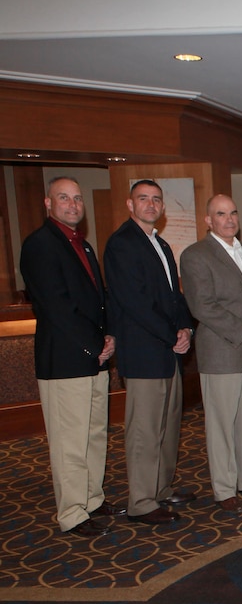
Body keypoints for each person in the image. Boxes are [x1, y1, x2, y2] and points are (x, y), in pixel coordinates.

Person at [20, 177, 123, 537]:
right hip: (65, 361)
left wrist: (108, 336)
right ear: (48, 203)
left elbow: (98, 299)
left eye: (77, 198)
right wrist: (94, 344)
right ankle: (72, 513)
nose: (72, 204)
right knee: (69, 442)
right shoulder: (40, 245)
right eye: (63, 197)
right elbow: (57, 307)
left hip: (93, 358)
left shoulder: (84, 246)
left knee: (94, 434)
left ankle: (92, 498)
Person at [103, 179, 195, 525]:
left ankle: (160, 490)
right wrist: (172, 334)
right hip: (144, 353)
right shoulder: (122, 244)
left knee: (168, 425)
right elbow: (134, 302)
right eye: (143, 199)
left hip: (168, 350)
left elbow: (175, 297)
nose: (151, 204)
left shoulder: (160, 244)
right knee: (143, 430)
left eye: (156, 199)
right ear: (130, 205)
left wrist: (185, 327)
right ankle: (142, 501)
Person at [179, 194, 242, 514]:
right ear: (208, 220)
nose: (230, 219)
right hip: (222, 350)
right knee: (221, 423)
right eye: (221, 214)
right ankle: (224, 487)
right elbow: (202, 305)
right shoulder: (196, 255)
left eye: (233, 212)